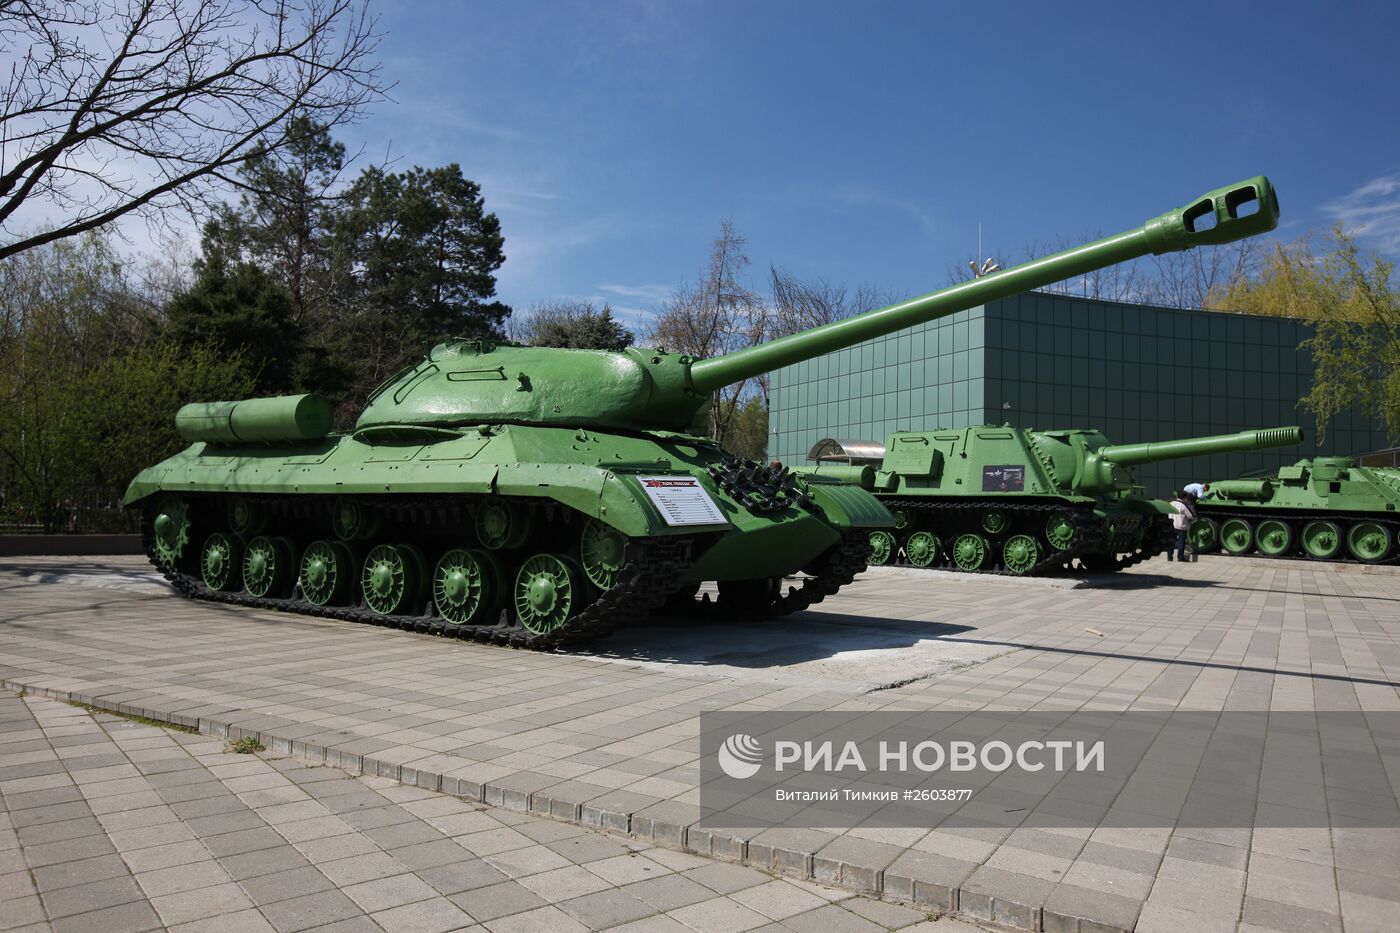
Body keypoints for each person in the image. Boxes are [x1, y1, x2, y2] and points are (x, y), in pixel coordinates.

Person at [1167, 491, 1198, 562]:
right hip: (1181, 526)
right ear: (1185, 497)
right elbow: (1190, 516)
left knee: (1171, 541)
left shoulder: (1171, 503)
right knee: (1181, 542)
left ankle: (1169, 557)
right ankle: (1180, 557)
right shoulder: (1183, 505)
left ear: (1177, 496)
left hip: (1171, 525)